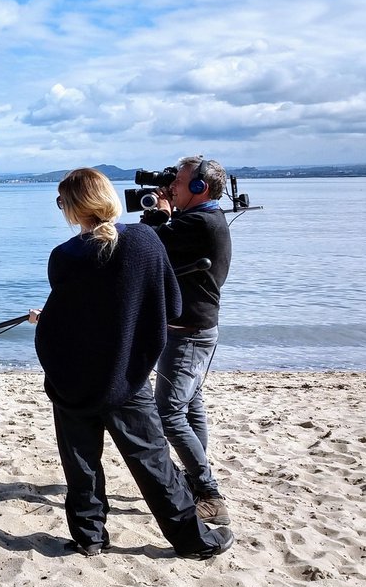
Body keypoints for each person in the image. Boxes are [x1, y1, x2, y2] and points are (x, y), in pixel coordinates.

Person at [28, 167, 233, 559]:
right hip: (124, 376)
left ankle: (89, 538)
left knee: (81, 463)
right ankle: (193, 541)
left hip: (73, 378)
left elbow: (72, 315)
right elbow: (169, 305)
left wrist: (49, 321)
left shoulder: (63, 256)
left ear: (73, 209)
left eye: (61, 203)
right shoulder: (143, 240)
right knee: (153, 462)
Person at [145, 156, 233, 526]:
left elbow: (151, 247)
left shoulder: (198, 222)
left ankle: (209, 494)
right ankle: (198, 484)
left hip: (188, 333)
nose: (171, 189)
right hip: (196, 328)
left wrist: (160, 215)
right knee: (190, 405)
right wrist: (167, 211)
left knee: (169, 414)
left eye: (178, 183)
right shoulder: (202, 218)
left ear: (200, 188)